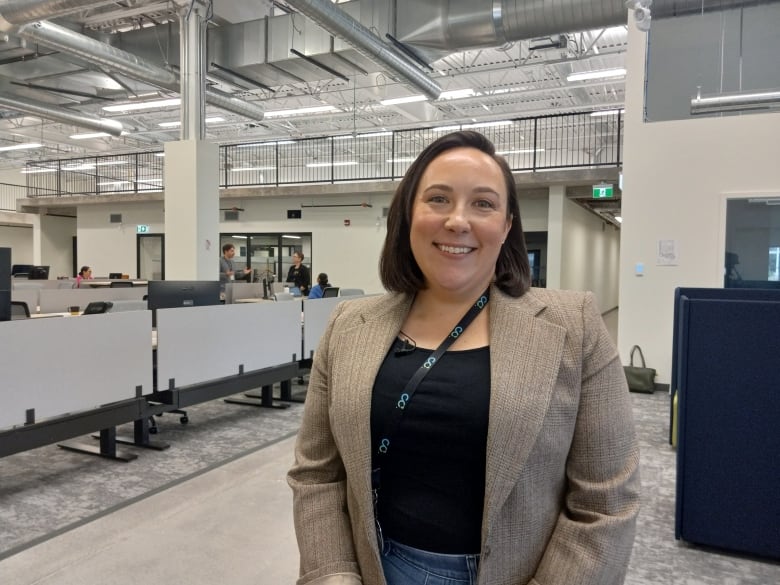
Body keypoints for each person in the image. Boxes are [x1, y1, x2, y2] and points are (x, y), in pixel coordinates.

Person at [287, 130, 640, 585]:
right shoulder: (348, 326)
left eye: (483, 203)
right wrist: (331, 574)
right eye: (438, 199)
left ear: (508, 224)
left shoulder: (575, 326)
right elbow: (316, 475)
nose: (458, 221)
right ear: (407, 215)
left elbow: (606, 504)